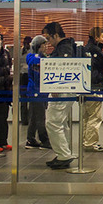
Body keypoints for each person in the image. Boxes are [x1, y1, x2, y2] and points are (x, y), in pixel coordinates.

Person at [41, 22, 77, 169]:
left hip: (61, 91)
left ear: (56, 35)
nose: (48, 42)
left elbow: (63, 68)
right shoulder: (67, 47)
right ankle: (64, 152)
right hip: (66, 90)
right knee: (61, 123)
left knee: (52, 122)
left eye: (49, 38)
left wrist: (55, 86)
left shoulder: (64, 48)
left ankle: (63, 155)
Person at [81, 27, 103, 152]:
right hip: (95, 87)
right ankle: (91, 143)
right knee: (95, 116)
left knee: (86, 116)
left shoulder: (84, 49)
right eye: (102, 36)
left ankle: (85, 140)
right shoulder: (95, 49)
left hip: (86, 85)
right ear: (97, 37)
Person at [24, 35, 52, 150]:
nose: (46, 47)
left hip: (39, 91)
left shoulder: (40, 57)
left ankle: (30, 139)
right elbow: (39, 72)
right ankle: (44, 140)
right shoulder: (34, 58)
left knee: (34, 117)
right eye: (43, 45)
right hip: (36, 91)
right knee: (40, 117)